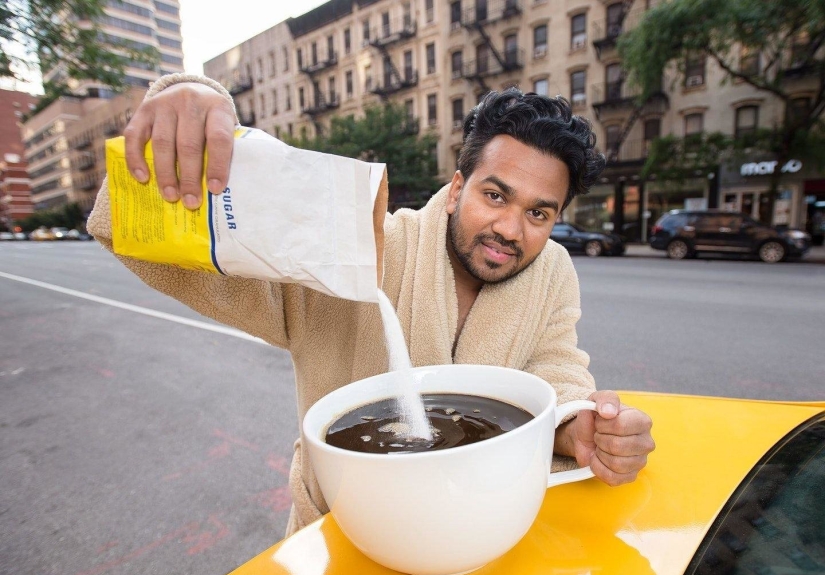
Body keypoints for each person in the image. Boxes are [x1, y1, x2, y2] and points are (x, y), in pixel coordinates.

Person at [87, 74, 655, 537]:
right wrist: (186, 106)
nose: (510, 229)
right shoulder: (353, 254)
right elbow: (200, 251)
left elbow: (554, 373)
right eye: (495, 195)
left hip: (486, 530)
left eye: (539, 213)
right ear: (457, 188)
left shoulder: (552, 269)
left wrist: (580, 428)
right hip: (346, 538)